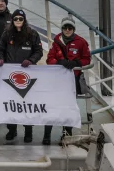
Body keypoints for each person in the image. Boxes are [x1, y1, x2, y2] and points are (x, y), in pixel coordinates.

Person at [0, 8, 44, 143]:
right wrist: (0, 59)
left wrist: (31, 60)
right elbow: (0, 49)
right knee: (11, 104)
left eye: (20, 19)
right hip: (10, 75)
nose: (18, 21)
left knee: (26, 104)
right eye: (15, 19)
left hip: (27, 75)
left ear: (24, 20)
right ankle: (12, 129)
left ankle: (28, 131)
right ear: (12, 20)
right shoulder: (6, 34)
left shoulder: (32, 34)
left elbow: (39, 51)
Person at [43, 16, 91, 144]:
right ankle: (47, 135)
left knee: (68, 107)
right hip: (57, 81)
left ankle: (67, 136)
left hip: (72, 80)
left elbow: (87, 59)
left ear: (73, 29)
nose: (67, 30)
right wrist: (59, 62)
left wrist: (76, 62)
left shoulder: (81, 42)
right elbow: (49, 59)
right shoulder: (56, 42)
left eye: (70, 28)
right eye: (65, 27)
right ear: (62, 28)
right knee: (52, 107)